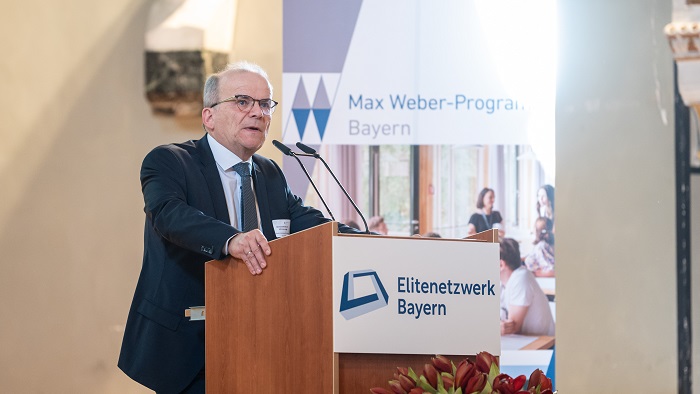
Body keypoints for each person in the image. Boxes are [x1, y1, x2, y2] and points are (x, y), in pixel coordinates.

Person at [118, 61, 360, 393]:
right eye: (243, 101)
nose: (258, 113)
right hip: (190, 348)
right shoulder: (170, 161)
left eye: (265, 104)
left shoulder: (270, 173)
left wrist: (372, 241)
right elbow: (169, 214)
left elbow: (312, 225)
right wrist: (231, 240)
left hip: (266, 343)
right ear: (209, 117)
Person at [499, 238, 555, 337]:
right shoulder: (501, 283)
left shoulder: (521, 278)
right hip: (527, 344)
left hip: (544, 347)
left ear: (501, 265)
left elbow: (512, 328)